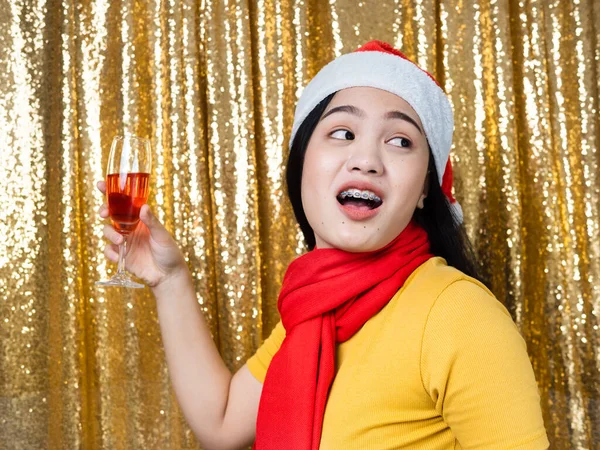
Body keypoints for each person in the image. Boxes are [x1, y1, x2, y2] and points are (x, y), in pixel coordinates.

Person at [98, 41, 549, 449]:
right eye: (343, 133)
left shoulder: (458, 313)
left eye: (400, 141)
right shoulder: (313, 314)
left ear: (425, 190)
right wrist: (170, 280)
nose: (367, 160)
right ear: (301, 162)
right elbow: (221, 424)